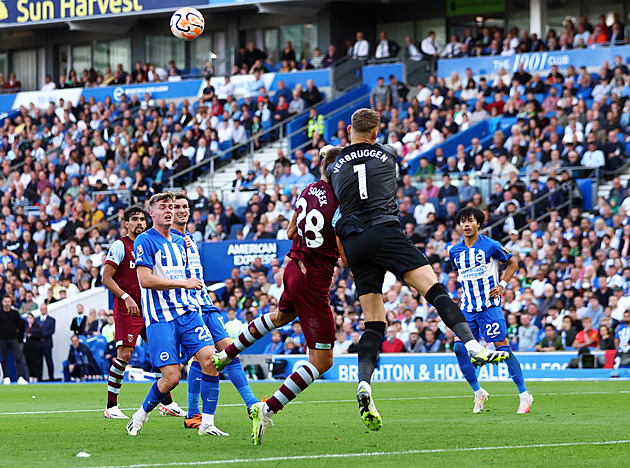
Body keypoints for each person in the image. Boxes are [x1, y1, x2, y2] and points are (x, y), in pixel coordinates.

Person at [325, 109, 508, 431]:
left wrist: (332, 154)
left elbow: (337, 165)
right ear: (376, 131)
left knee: (374, 322)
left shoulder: (332, 166)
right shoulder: (389, 153)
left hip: (353, 241)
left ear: (349, 129)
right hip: (384, 231)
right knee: (433, 288)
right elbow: (368, 154)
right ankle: (473, 345)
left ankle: (364, 383)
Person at [212, 146, 342, 445]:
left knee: (281, 316)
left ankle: (226, 354)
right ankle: (267, 409)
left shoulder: (309, 189)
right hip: (314, 280)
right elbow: (346, 259)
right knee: (322, 362)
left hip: (293, 268)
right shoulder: (340, 203)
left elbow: (290, 230)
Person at [125, 192, 228, 437]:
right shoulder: (145, 240)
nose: (169, 210)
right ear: (152, 213)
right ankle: (141, 414)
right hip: (160, 318)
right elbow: (145, 280)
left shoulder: (182, 242)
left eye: (171, 206)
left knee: (211, 361)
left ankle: (207, 423)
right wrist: (182, 283)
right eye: (163, 207)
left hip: (187, 312)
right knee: (171, 378)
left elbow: (193, 279)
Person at [171, 193, 258, 429]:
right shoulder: (168, 241)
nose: (181, 210)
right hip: (188, 307)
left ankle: (251, 404)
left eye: (185, 207)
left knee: (230, 353)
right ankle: (193, 413)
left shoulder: (190, 239)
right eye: (176, 206)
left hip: (206, 304)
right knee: (204, 359)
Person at [101, 206, 185, 420]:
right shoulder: (120, 246)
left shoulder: (147, 243)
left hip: (149, 308)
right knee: (125, 355)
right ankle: (111, 406)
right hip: (127, 309)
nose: (139, 222)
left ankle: (166, 403)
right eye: (134, 219)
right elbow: (106, 278)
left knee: (160, 351)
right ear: (126, 223)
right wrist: (125, 297)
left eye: (142, 219)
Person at [449, 206, 533, 414]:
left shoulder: (492, 245)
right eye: (463, 221)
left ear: (479, 223)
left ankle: (524, 395)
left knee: (502, 349)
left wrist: (503, 285)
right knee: (459, 348)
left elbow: (512, 263)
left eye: (471, 221)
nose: (466, 225)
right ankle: (478, 392)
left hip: (489, 306)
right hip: (468, 308)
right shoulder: (454, 251)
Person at [0, 296, 28, 385]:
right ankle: (6, 377)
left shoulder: (14, 313)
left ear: (11, 303)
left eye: (9, 301)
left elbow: (21, 325)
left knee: (18, 358)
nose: (7, 303)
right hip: (2, 339)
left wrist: (18, 337)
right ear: (2, 302)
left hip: (13, 339)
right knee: (3, 359)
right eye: (5, 301)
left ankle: (20, 377)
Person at [37, 303, 56, 381]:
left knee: (49, 360)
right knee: (39, 361)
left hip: (47, 343)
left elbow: (51, 331)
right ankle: (39, 377)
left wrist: (41, 335)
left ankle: (51, 377)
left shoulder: (51, 320)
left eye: (44, 309)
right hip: (38, 344)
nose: (43, 310)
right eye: (42, 309)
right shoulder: (36, 320)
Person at [23, 313, 43, 382]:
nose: (30, 320)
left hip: (35, 348)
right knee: (29, 363)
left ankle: (36, 377)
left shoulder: (37, 326)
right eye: (28, 318)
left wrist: (32, 335)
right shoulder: (26, 327)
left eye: (31, 318)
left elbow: (39, 335)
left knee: (35, 363)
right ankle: (30, 376)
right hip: (27, 348)